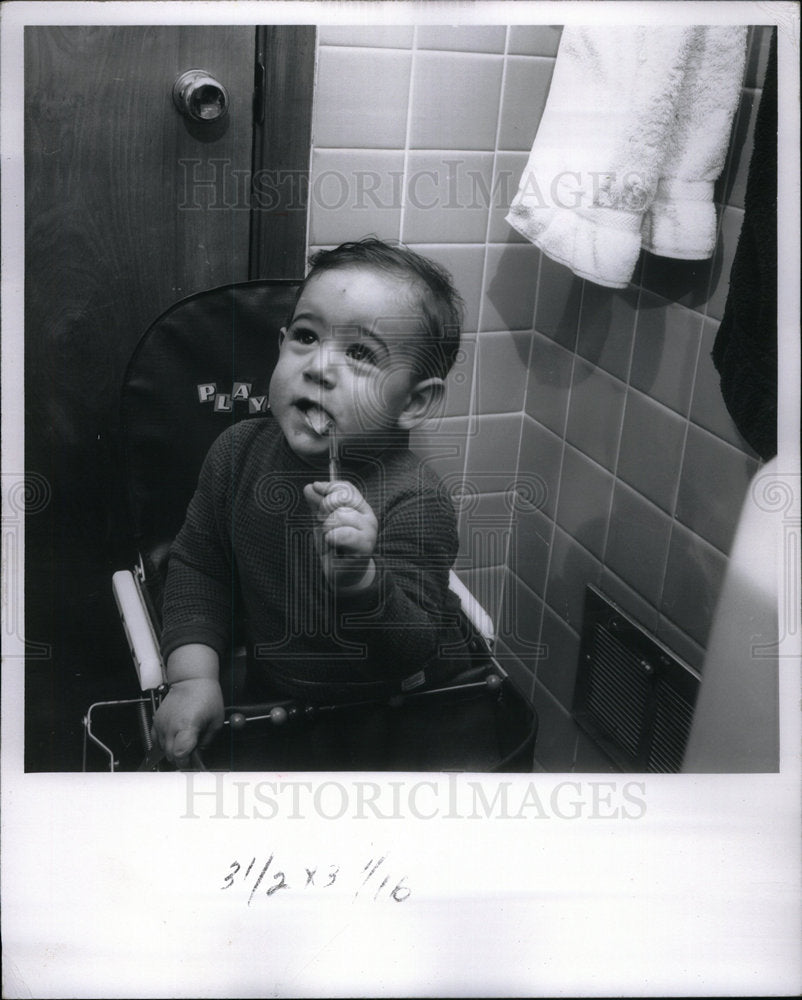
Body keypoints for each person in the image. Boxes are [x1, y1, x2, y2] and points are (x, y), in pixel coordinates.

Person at [152, 239, 480, 768]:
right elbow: (200, 565)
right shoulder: (236, 454)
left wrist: (362, 584)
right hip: (281, 699)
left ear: (415, 401)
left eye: (359, 354)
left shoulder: (416, 500)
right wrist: (193, 677)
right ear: (281, 345)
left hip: (397, 711)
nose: (319, 367)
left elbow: (413, 645)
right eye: (306, 337)